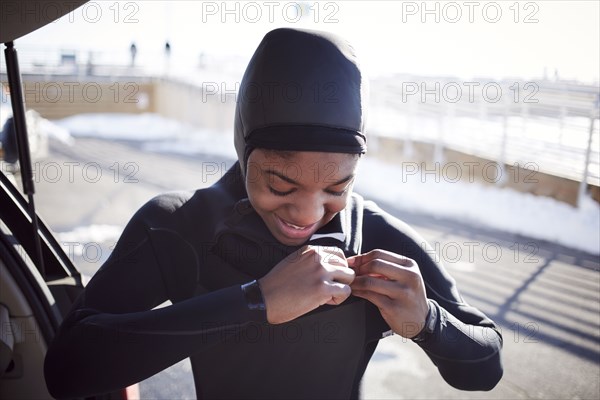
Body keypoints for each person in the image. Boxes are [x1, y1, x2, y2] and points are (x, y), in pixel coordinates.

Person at [44, 28, 503, 399]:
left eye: (336, 187)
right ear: (244, 151)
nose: (306, 213)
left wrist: (429, 324)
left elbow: (484, 369)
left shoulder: (373, 238)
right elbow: (67, 370)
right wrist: (254, 301)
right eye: (280, 185)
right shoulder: (180, 226)